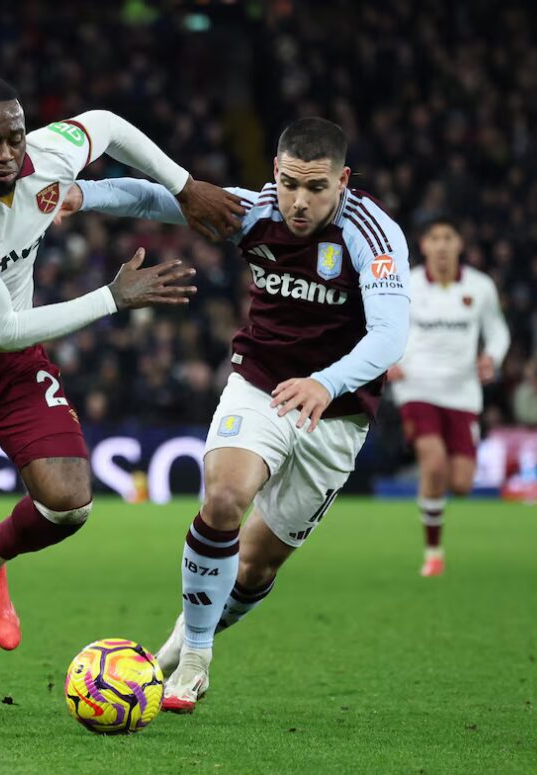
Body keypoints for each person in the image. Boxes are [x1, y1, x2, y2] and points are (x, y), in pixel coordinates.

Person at [0, 42, 244, 730]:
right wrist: (113, 297)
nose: (10, 152)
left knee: (69, 502)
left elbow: (109, 124)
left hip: (4, 363)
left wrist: (185, 186)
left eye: (15, 134)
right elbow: (5, 326)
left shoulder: (46, 152)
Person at [60, 117, 411, 712]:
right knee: (224, 498)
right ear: (275, 171)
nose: (300, 202)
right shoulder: (255, 211)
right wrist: (82, 193)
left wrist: (326, 383)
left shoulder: (372, 233)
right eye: (291, 183)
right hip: (262, 387)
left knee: (255, 566)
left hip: (337, 412)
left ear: (343, 181)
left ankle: (176, 646)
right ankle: (196, 659)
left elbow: (390, 335)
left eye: (317, 188)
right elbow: (158, 197)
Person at [385, 218, 510, 576]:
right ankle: (433, 552)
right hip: (416, 386)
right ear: (423, 245)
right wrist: (388, 361)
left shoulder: (480, 287)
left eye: (448, 238)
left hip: (463, 391)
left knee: (461, 483)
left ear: (459, 244)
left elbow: (498, 331)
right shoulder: (406, 285)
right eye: (434, 238)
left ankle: (434, 521)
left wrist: (492, 358)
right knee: (434, 463)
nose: (441, 245)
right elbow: (384, 326)